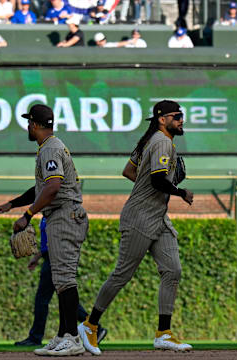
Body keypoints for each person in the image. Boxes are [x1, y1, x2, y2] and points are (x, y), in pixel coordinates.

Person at [78, 100, 194, 355]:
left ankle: (164, 333)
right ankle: (89, 325)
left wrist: (151, 183)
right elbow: (156, 180)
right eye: (177, 116)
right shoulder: (162, 142)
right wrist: (180, 191)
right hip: (140, 217)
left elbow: (130, 171)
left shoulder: (150, 140)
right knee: (122, 274)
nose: (181, 120)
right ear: (162, 119)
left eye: (182, 115)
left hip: (158, 218)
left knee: (172, 270)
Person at [0, 104, 90, 356]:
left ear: (34, 124)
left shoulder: (51, 149)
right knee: (60, 280)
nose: (27, 127)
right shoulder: (49, 147)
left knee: (65, 279)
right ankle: (63, 334)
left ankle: (73, 338)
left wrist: (27, 215)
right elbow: (43, 188)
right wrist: (12, 204)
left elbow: (53, 187)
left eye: (28, 123)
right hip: (62, 215)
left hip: (65, 215)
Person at [0, 212, 107, 347]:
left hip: (56, 259)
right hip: (49, 258)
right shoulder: (46, 215)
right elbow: (48, 242)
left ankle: (35, 337)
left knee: (43, 300)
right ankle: (94, 328)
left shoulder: (56, 214)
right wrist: (37, 257)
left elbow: (61, 239)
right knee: (65, 299)